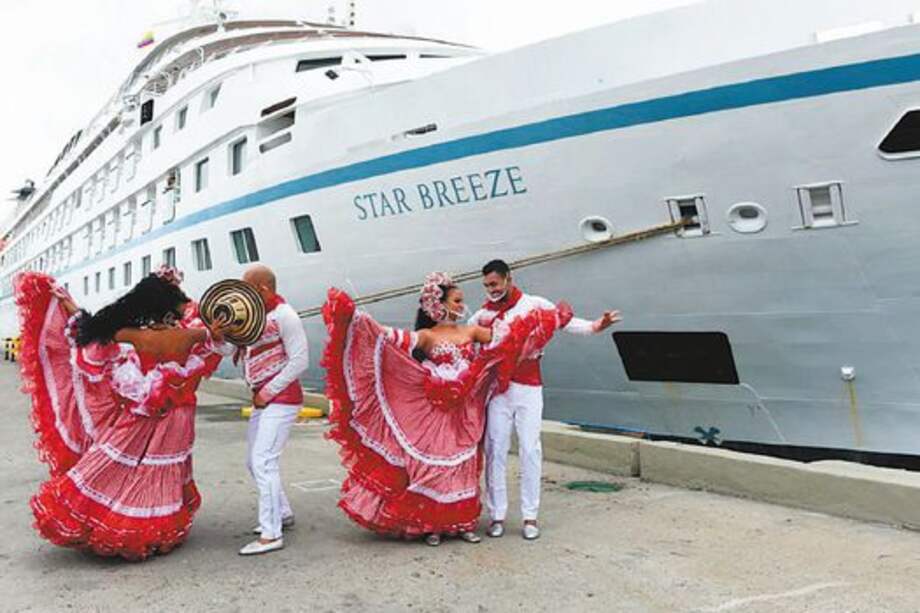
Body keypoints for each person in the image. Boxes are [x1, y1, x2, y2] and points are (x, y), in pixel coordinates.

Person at [321, 272, 572, 546]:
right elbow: (388, 338)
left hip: (467, 407)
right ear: (439, 305)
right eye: (457, 300)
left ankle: (463, 523)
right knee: (437, 466)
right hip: (436, 410)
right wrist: (358, 319)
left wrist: (544, 323)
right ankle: (432, 525)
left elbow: (508, 339)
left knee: (464, 464)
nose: (462, 305)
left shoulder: (471, 331)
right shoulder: (426, 335)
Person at [15, 265, 226, 560]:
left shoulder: (133, 335)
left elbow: (91, 327)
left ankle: (111, 521)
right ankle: (153, 530)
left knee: (119, 465)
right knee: (159, 470)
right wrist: (213, 330)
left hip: (140, 412)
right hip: (176, 416)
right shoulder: (189, 335)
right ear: (167, 309)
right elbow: (216, 341)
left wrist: (68, 304)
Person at [469, 259, 621, 541]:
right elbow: (464, 344)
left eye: (495, 283)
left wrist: (597, 326)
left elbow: (566, 323)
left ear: (508, 278)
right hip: (498, 392)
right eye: (487, 285)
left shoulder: (534, 304)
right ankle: (497, 515)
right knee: (495, 449)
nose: (492, 289)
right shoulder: (481, 316)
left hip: (529, 388)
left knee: (530, 449)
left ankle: (530, 516)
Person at [228, 265, 310, 556]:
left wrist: (268, 391)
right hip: (264, 400)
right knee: (254, 461)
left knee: (263, 461)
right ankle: (282, 513)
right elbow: (228, 350)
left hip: (281, 399)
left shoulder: (285, 315)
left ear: (263, 288)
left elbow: (300, 360)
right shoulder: (252, 317)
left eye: (247, 288)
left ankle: (271, 534)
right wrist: (218, 334)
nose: (242, 294)